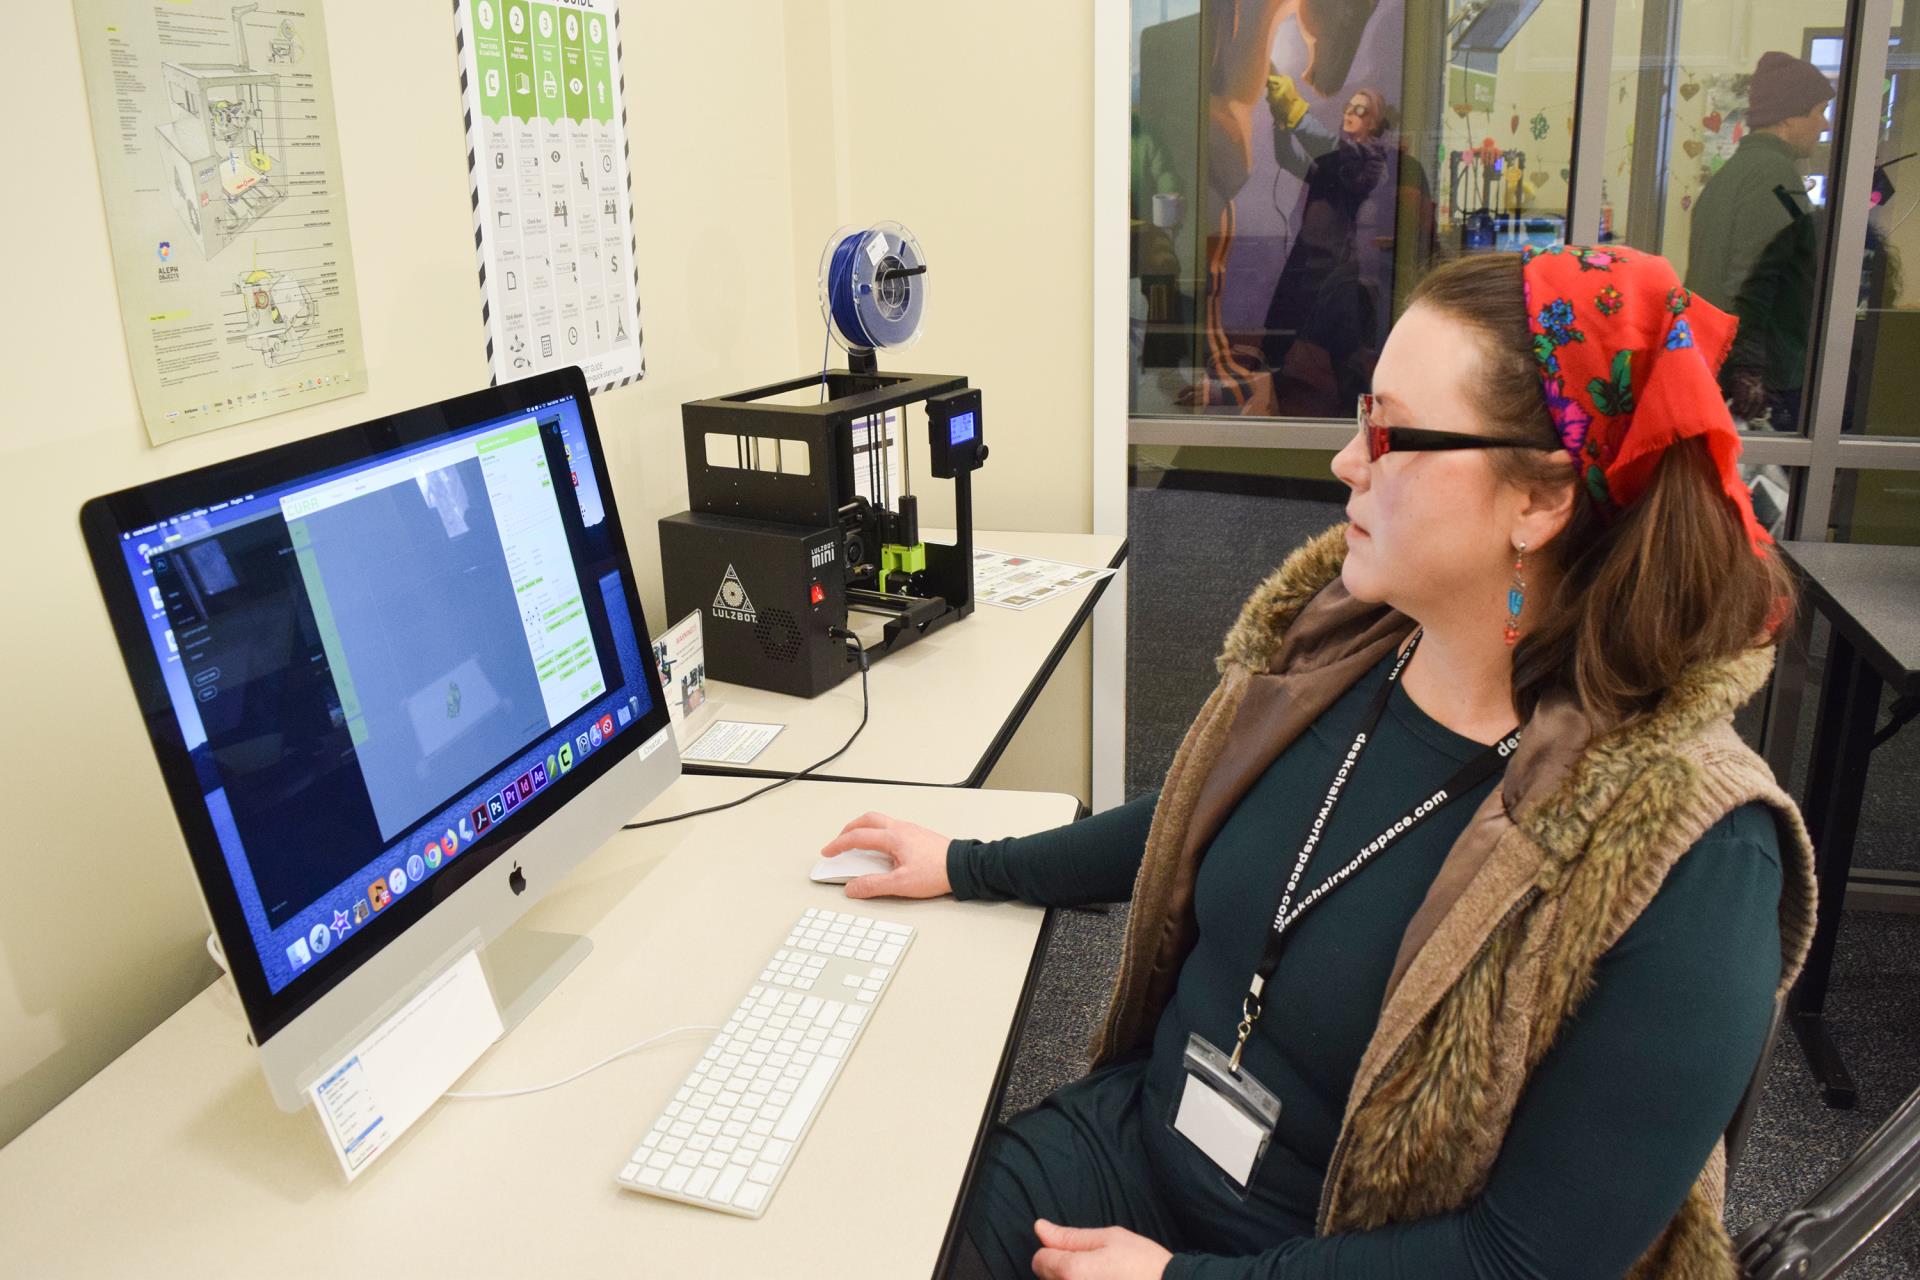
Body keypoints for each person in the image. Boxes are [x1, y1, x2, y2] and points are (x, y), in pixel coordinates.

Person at [821, 246, 1817, 1279]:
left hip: (1338, 1257)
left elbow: (1525, 1259)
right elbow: (1198, 815)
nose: (1347, 460)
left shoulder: (1694, 852)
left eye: (1389, 431)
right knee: (889, 1238)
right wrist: (975, 860)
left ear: (1541, 499)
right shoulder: (1354, 645)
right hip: (1141, 1146)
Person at [1684, 50, 1836, 432]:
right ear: (1788, 115)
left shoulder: (1734, 172)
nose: (1824, 123)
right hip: (1755, 377)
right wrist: (1751, 369)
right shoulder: (1774, 175)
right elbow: (1754, 277)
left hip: (1714, 359)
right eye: (1818, 111)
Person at [1259, 80, 1392, 417]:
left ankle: (1361, 423)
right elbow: (1288, 158)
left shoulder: (1371, 159)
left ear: (1374, 123)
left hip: (1336, 268)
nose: (1350, 112)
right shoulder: (1335, 157)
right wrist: (1280, 120)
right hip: (1306, 258)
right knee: (1277, 332)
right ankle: (1267, 402)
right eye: (1348, 106)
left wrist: (1297, 110)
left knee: (1346, 354)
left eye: (1360, 109)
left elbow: (1332, 147)